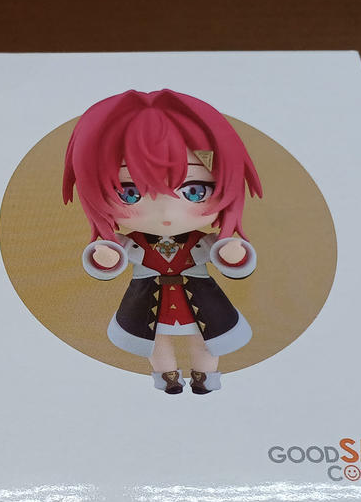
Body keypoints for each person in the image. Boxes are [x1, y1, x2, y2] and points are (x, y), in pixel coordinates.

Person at [63, 89, 262, 394]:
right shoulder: (134, 243)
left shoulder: (200, 241)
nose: (167, 213)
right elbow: (112, 255)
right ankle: (167, 377)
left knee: (206, 339)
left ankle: (204, 376)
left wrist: (234, 255)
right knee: (154, 340)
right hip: (148, 299)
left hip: (200, 297)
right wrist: (105, 257)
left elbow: (227, 256)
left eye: (194, 191)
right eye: (130, 193)